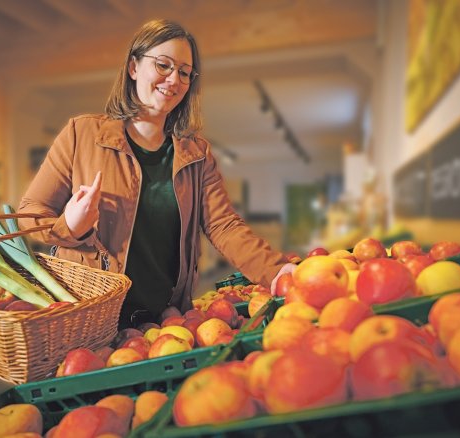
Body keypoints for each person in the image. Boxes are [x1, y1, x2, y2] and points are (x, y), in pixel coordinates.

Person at [18, 19, 296, 329]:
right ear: (133, 67)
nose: (174, 79)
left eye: (185, 72)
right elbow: (29, 213)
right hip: (88, 318)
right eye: (163, 65)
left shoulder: (196, 155)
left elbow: (223, 226)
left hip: (164, 323)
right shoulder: (80, 134)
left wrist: (276, 271)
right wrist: (70, 227)